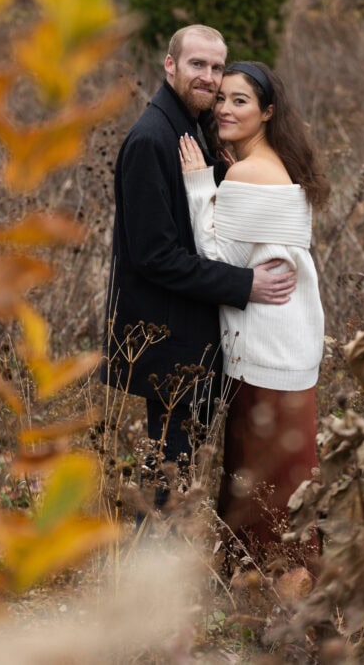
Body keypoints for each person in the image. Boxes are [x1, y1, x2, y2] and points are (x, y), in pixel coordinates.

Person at [101, 27, 297, 508]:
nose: (208, 78)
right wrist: (246, 284)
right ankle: (149, 578)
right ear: (170, 66)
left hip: (194, 334)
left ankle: (173, 571)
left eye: (215, 68)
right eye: (197, 65)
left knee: (181, 472)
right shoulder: (152, 139)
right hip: (168, 339)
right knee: (168, 477)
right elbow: (155, 256)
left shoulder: (190, 128)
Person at [179, 60, 330, 564]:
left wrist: (201, 184)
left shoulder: (249, 171)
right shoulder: (274, 166)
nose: (223, 108)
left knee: (266, 481)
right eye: (220, 98)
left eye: (239, 100)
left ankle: (275, 592)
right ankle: (277, 587)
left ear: (267, 112)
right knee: (286, 477)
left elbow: (216, 259)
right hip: (289, 348)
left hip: (267, 350)